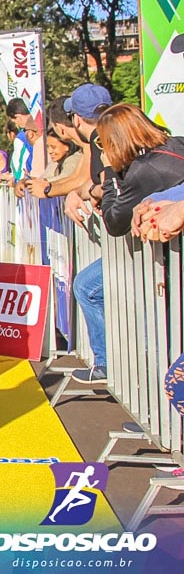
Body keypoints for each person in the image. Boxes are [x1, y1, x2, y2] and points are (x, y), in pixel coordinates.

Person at [70, 103, 184, 384]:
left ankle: (154, 407)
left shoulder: (144, 171)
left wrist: (108, 175)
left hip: (163, 264)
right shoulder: (174, 146)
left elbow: (114, 221)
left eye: (104, 143)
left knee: (155, 335)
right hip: (164, 259)